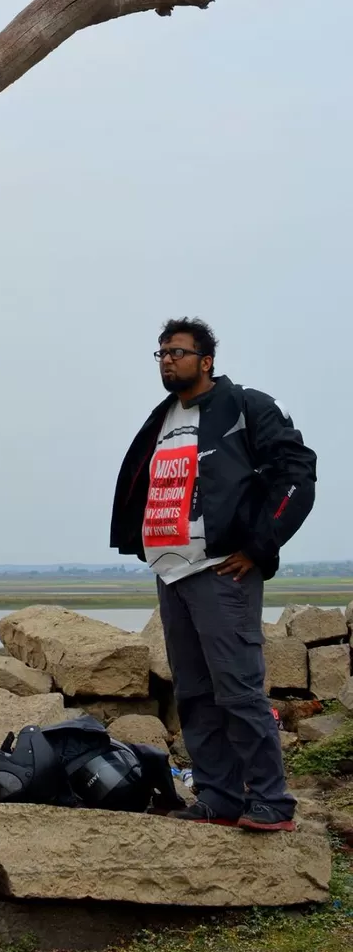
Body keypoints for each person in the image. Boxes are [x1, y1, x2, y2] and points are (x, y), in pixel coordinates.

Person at [109, 318, 316, 831]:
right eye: (159, 353)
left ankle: (271, 802)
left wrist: (259, 546)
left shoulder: (244, 406)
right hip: (172, 574)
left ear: (206, 361)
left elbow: (296, 474)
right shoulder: (163, 417)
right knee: (195, 695)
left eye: (177, 352)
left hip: (222, 572)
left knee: (238, 690)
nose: (166, 360)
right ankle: (218, 797)